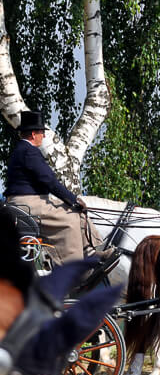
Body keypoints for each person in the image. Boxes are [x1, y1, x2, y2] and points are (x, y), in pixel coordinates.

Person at [3, 110, 114, 266]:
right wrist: (72, 199)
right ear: (34, 134)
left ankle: (90, 251)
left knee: (79, 213)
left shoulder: (24, 150)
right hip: (27, 202)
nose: (44, 136)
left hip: (30, 199)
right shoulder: (29, 151)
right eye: (42, 132)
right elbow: (50, 181)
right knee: (69, 218)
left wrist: (74, 203)